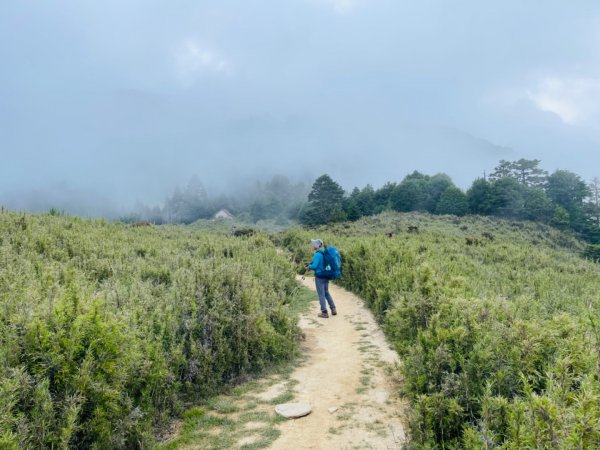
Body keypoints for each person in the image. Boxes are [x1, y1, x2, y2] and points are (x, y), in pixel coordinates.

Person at [305, 239, 337, 318]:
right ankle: (333, 309)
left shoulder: (317, 255)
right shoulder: (324, 254)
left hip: (319, 277)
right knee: (326, 292)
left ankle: (324, 312)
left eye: (313, 244)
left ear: (316, 246)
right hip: (326, 276)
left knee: (321, 294)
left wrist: (309, 266)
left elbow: (315, 266)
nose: (312, 245)